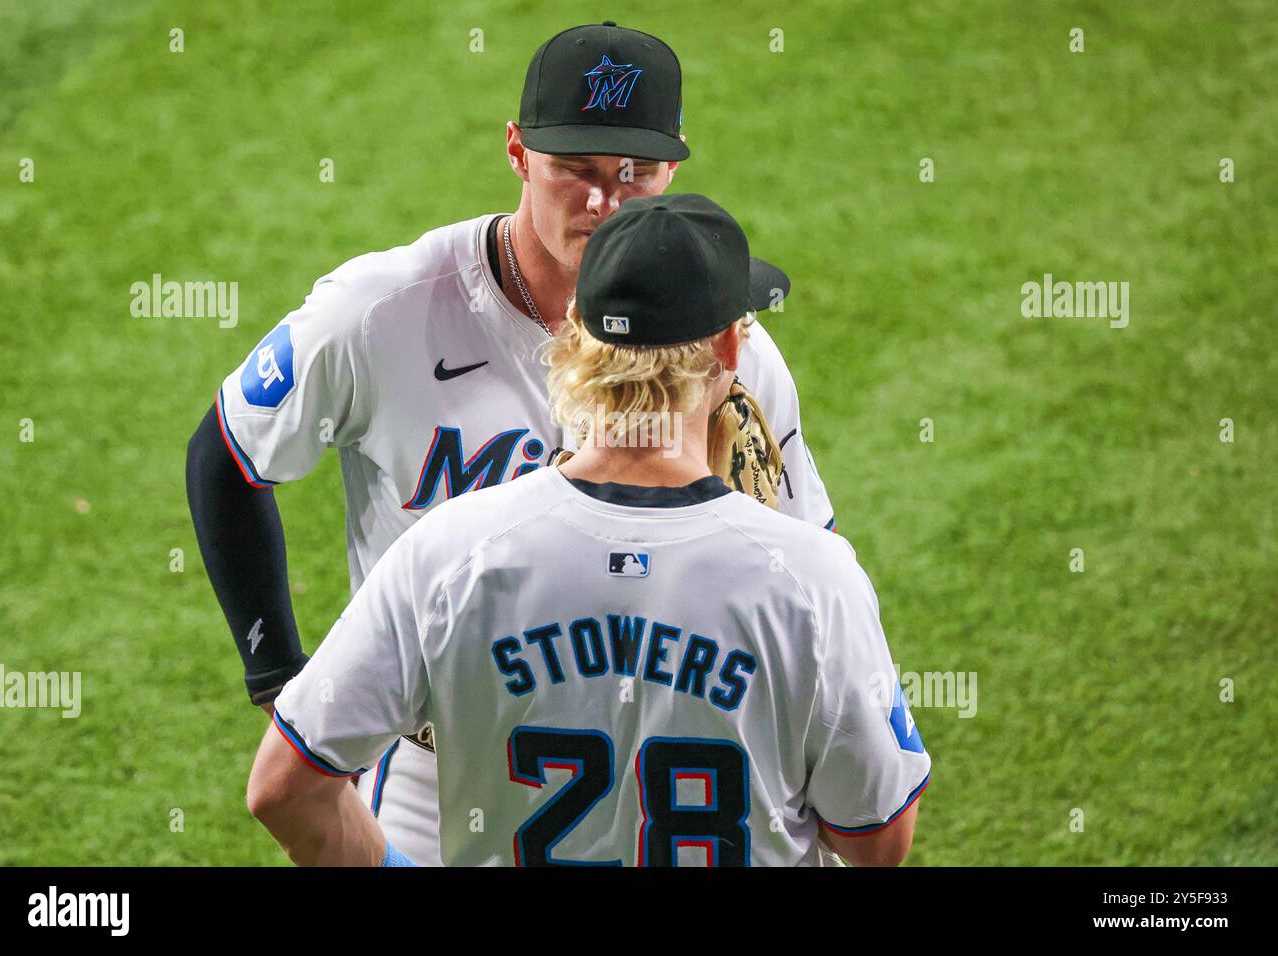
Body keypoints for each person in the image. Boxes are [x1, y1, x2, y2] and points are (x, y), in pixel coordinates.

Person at [188, 21, 835, 866]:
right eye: (575, 169)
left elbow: (807, 563)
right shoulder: (382, 312)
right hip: (433, 770)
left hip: (657, 758)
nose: (603, 202)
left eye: (632, 173)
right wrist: (276, 672)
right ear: (517, 152)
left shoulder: (724, 347)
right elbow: (228, 453)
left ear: (674, 165)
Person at [246, 194, 930, 867]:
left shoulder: (446, 554)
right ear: (728, 346)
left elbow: (285, 790)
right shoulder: (814, 578)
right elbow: (877, 839)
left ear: (576, 327)